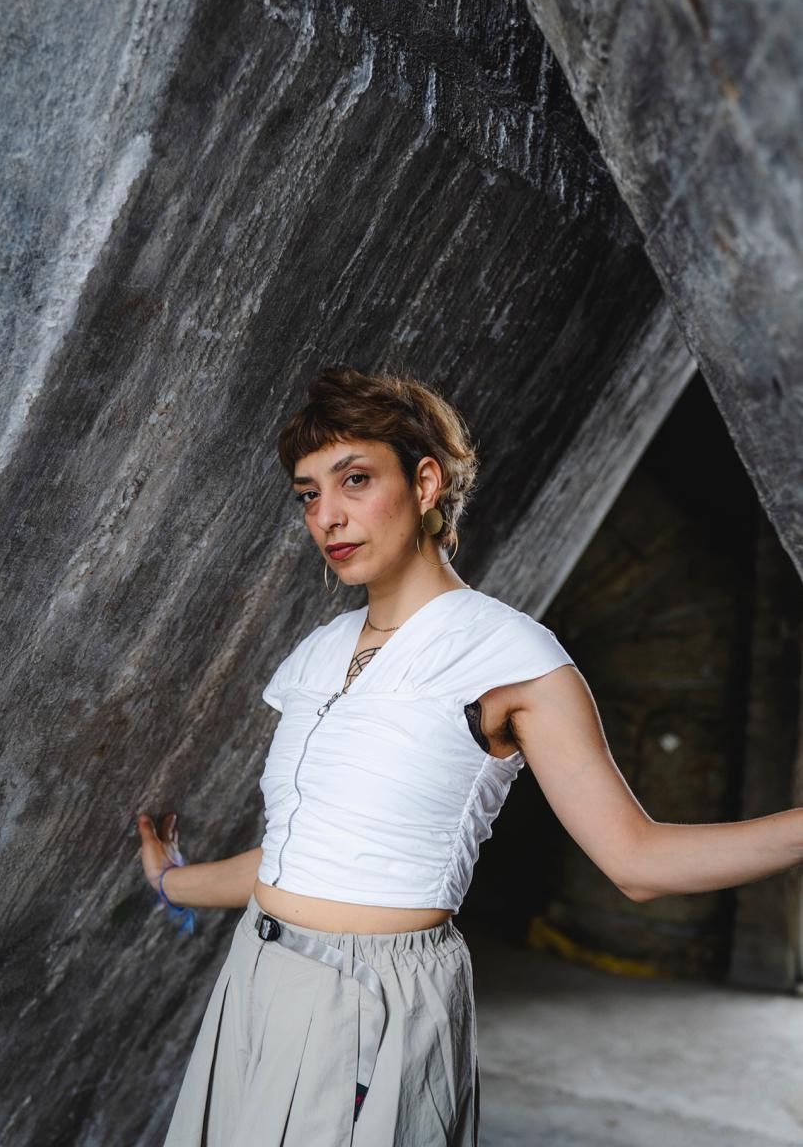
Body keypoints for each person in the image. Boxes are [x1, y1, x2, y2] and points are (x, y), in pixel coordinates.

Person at [137, 365, 803, 1147]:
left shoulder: (509, 656)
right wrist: (171, 881)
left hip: (375, 999)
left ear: (425, 483)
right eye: (308, 493)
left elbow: (638, 859)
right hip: (256, 976)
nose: (328, 515)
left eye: (354, 479)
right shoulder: (317, 655)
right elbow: (295, 857)